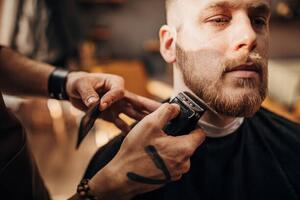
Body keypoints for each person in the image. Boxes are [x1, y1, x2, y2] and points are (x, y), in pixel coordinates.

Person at [83, 0, 300, 199]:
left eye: (259, 21)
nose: (250, 36)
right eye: (219, 20)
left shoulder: (294, 147)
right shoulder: (110, 174)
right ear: (170, 45)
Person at [0, 46, 206, 199]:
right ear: (168, 43)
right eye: (218, 20)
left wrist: (64, 82)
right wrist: (111, 183)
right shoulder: (105, 158)